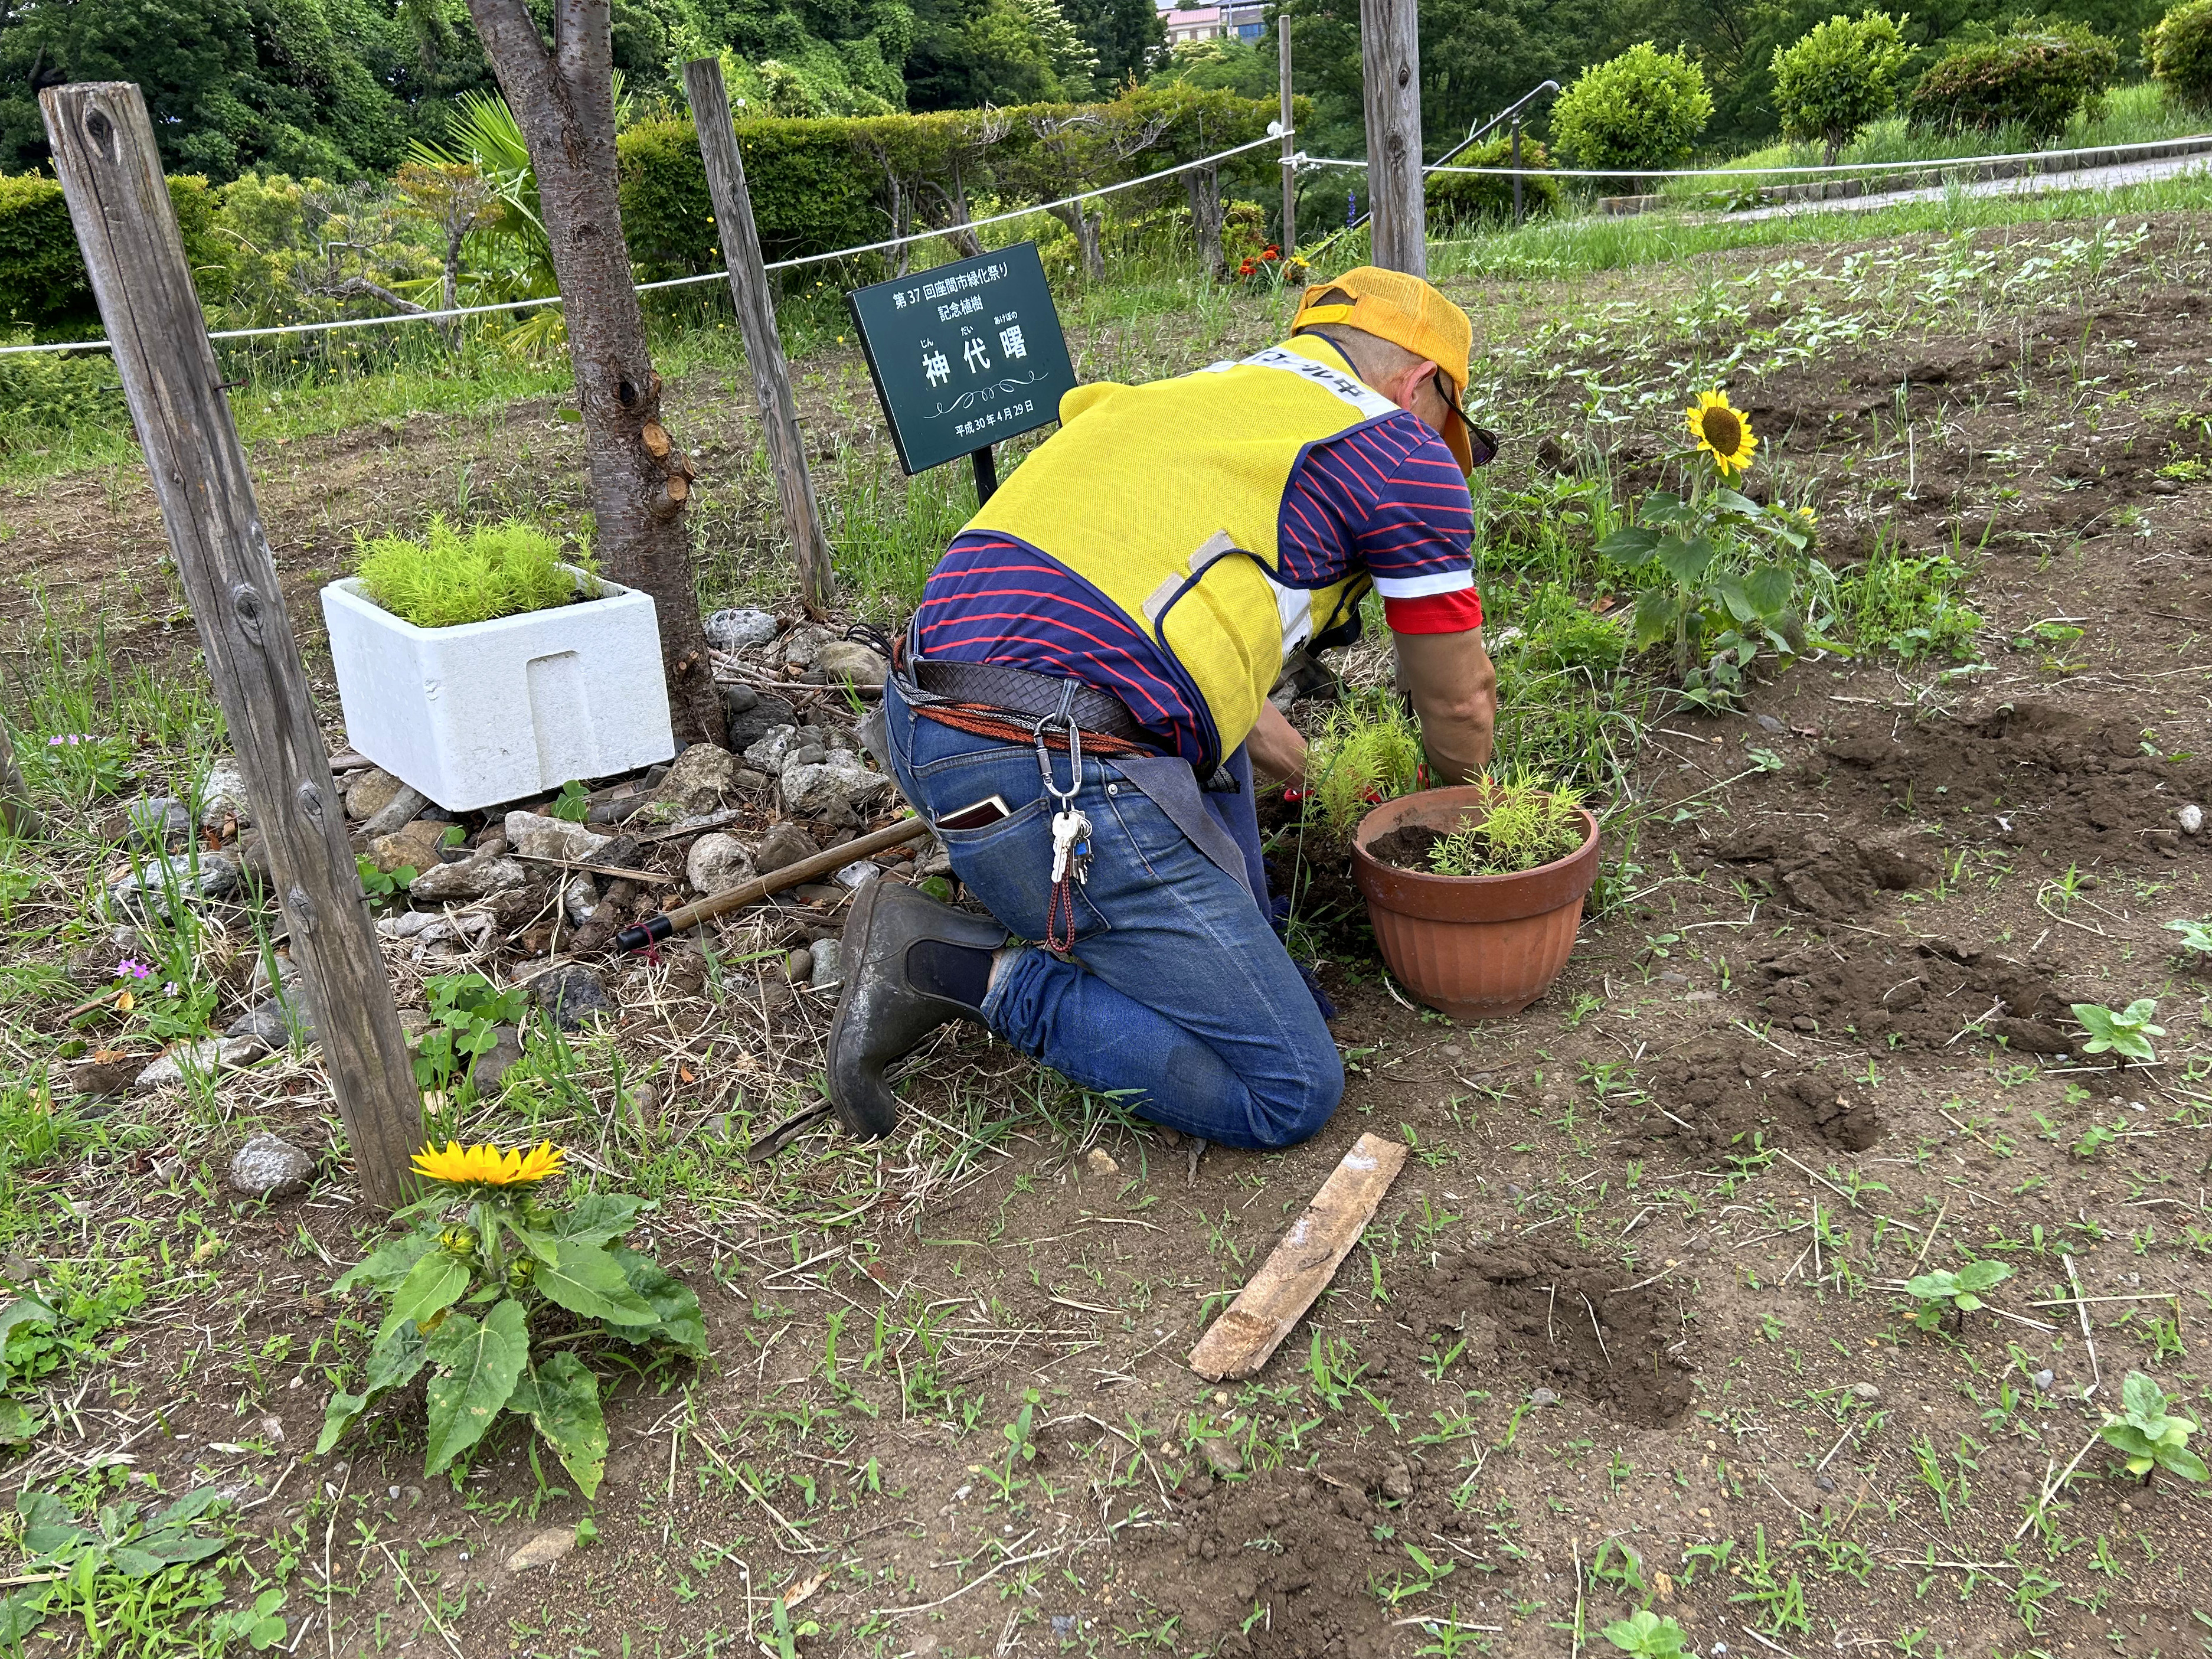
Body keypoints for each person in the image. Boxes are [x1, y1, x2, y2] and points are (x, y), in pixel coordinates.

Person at [829, 267, 1499, 1151]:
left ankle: (1230, 948)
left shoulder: (1194, 400)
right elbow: (1458, 700)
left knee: (1200, 739)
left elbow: (1205, 678)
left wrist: (1323, 776)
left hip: (930, 717)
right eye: (1448, 430)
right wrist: (1475, 814)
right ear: (1422, 386)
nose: (1442, 449)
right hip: (1041, 770)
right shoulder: (1396, 449)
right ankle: (956, 967)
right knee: (1292, 1087)